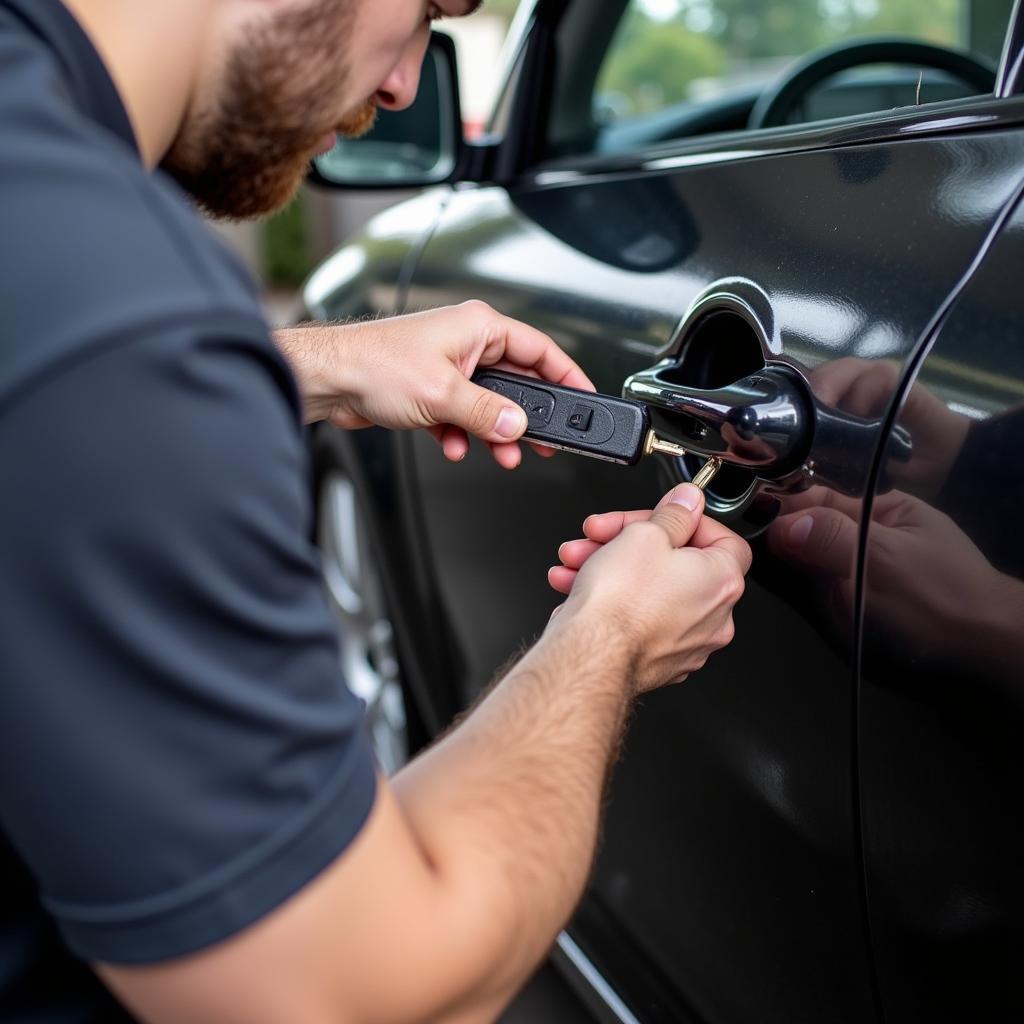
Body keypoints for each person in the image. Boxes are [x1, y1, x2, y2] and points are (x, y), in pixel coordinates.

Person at [0, 0, 752, 1021]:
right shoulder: (110, 310)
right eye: (427, 7)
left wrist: (304, 366)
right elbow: (353, 995)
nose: (402, 84)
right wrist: (610, 638)